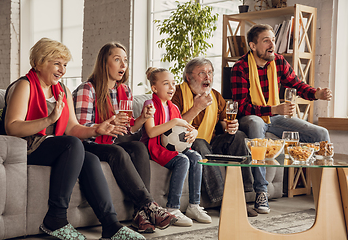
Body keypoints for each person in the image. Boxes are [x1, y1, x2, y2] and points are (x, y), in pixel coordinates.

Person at [3, 38, 145, 240]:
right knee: (72, 145)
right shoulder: (24, 86)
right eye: (57, 63)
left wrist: (97, 129)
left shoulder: (63, 90)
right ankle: (56, 218)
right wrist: (49, 119)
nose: (62, 70)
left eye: (65, 65)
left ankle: (110, 226)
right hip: (29, 146)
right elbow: (12, 127)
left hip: (56, 145)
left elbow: (72, 128)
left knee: (90, 158)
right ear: (40, 62)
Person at [72, 42, 177, 234]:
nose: (123, 65)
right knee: (117, 150)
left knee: (138, 147)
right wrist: (104, 126)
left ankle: (141, 214)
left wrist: (143, 118)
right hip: (90, 143)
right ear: (105, 63)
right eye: (117, 59)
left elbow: (127, 129)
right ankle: (149, 205)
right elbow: (79, 127)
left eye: (125, 60)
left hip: (113, 140)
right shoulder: (87, 90)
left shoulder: (124, 91)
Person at [231, 24, 332, 212]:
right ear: (253, 46)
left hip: (274, 116)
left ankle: (328, 193)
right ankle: (261, 192)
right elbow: (242, 106)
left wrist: (316, 94)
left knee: (320, 133)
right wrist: (274, 109)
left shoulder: (278, 62)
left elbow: (298, 84)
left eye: (273, 40)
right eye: (266, 40)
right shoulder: (240, 67)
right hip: (252, 116)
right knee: (254, 123)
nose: (272, 44)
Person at [171, 57, 258, 217]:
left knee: (239, 136)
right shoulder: (176, 93)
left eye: (210, 72)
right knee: (199, 143)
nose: (207, 77)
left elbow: (225, 123)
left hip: (211, 144)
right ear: (189, 77)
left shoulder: (216, 96)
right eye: (202, 73)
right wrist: (197, 108)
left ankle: (245, 195)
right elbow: (173, 126)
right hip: (187, 145)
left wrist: (230, 127)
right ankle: (223, 200)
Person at [140, 67, 212, 227]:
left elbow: (183, 128)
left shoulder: (174, 108)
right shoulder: (150, 104)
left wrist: (193, 132)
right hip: (154, 146)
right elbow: (151, 132)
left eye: (173, 83)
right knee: (182, 161)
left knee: (196, 157)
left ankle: (194, 205)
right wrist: (174, 122)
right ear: (154, 88)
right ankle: (172, 208)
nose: (172, 87)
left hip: (170, 147)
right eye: (166, 84)